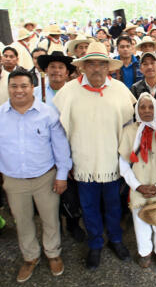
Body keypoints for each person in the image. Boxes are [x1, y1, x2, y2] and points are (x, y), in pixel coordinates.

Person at [52, 43, 136, 270]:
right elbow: (58, 132)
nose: (97, 68)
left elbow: (130, 127)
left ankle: (116, 240)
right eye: (91, 63)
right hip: (83, 162)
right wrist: (65, 162)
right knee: (88, 207)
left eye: (101, 63)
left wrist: (128, 158)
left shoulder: (120, 90)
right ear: (83, 67)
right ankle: (96, 244)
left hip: (113, 161)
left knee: (113, 206)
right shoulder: (68, 92)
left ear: (109, 67)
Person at [0, 69, 72, 283]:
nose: (19, 90)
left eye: (24, 86)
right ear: (8, 88)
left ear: (33, 87)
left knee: (50, 219)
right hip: (14, 180)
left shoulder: (48, 113)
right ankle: (30, 257)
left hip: (45, 177)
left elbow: (60, 147)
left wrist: (62, 175)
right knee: (22, 221)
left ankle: (53, 253)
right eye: (14, 86)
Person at [118, 93, 156, 269]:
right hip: (138, 186)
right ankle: (144, 252)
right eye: (142, 107)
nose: (146, 110)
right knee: (140, 220)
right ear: (137, 110)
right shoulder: (129, 132)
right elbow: (123, 163)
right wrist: (137, 186)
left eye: (151, 107)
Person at [33, 52, 85, 242]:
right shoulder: (36, 94)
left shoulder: (76, 92)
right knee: (49, 194)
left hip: (72, 148)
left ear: (67, 72)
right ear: (46, 70)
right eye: (52, 67)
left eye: (60, 67)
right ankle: (54, 228)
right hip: (45, 153)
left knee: (72, 192)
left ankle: (73, 224)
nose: (56, 71)